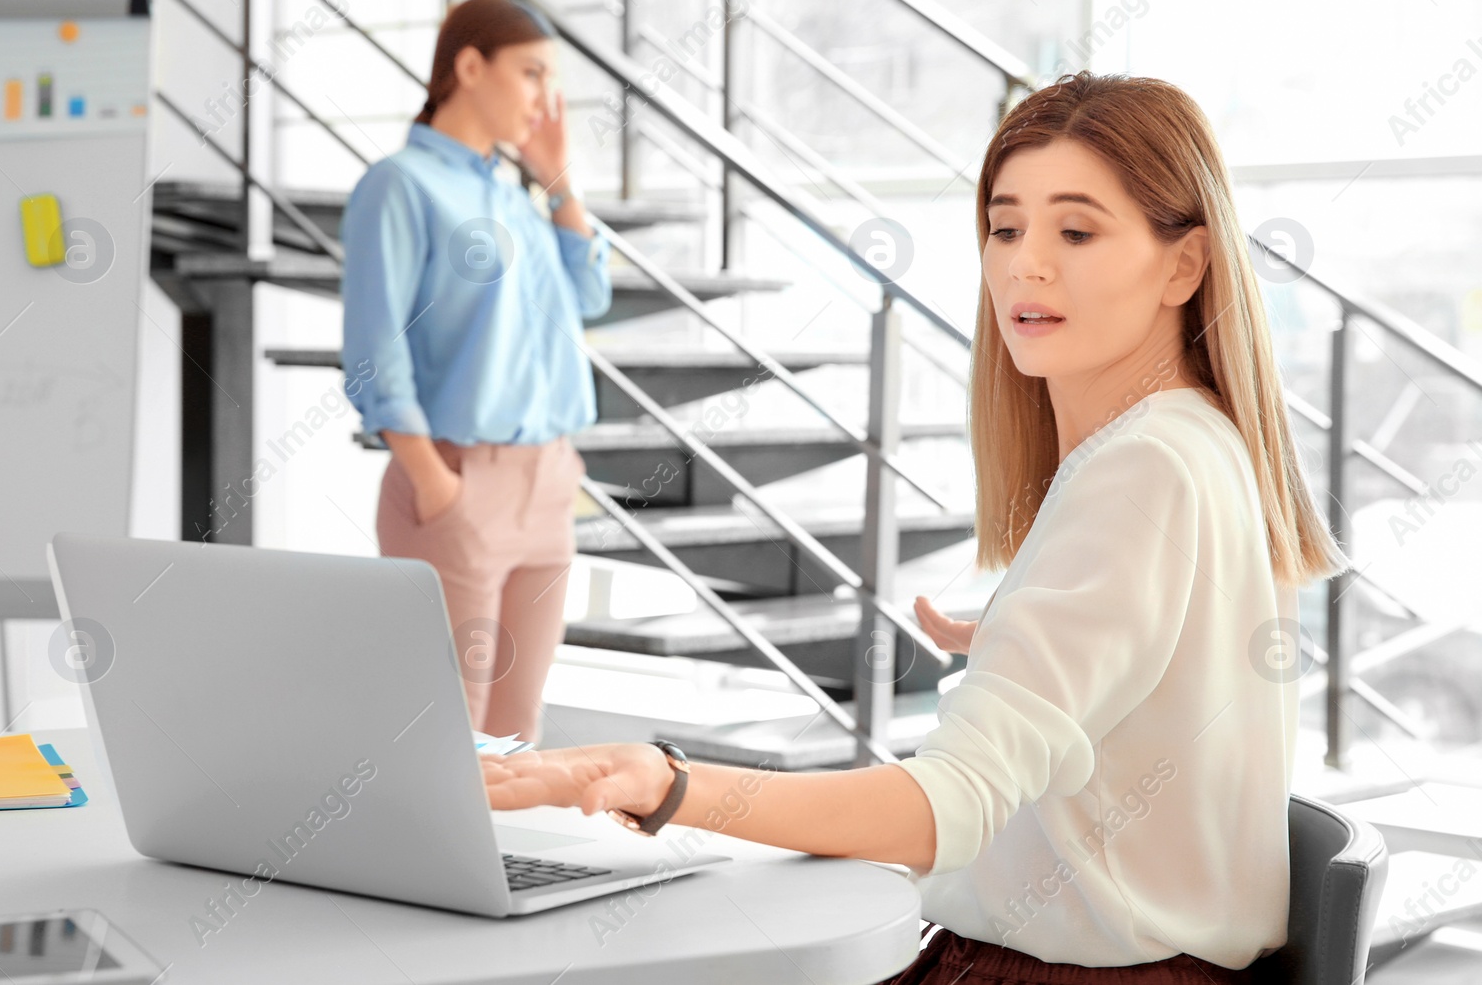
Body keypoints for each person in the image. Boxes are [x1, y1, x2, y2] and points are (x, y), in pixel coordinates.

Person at [481, 71, 1348, 983]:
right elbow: (1164, 657)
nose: (1025, 262)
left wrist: (670, 784)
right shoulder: (1196, 436)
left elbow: (948, 806)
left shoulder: (1142, 469)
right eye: (1005, 227)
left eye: (1077, 230)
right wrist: (1031, 636)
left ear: (1185, 263)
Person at [341, 0, 611, 747]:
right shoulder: (399, 186)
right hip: (457, 487)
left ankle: (510, 873)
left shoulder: (516, 196)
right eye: (531, 74)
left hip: (548, 484)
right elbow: (372, 354)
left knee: (517, 735)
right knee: (444, 738)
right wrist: (434, 482)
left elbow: (590, 293)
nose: (545, 99)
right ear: (468, 67)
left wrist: (557, 179)